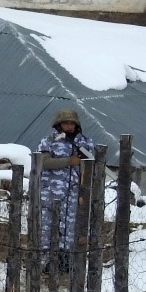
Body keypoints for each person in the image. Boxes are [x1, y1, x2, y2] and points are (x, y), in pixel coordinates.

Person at [36, 108, 97, 272]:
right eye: (65, 123)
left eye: (72, 123)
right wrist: (68, 161)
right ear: (58, 124)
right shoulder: (49, 141)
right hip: (50, 193)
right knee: (47, 228)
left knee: (68, 228)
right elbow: (44, 162)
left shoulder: (85, 142)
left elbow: (93, 163)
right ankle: (45, 263)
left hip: (72, 193)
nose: (69, 126)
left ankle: (64, 261)